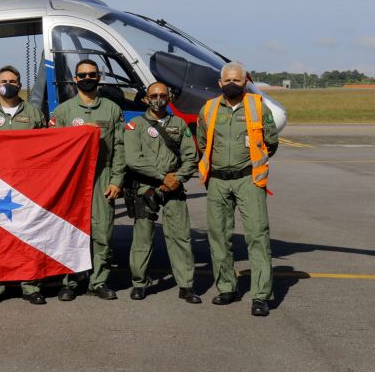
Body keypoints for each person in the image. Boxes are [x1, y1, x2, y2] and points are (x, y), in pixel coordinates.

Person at [197, 62, 279, 317]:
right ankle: (226, 288)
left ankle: (261, 296)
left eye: (237, 80)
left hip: (248, 180)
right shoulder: (209, 109)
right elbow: (201, 141)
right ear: (220, 83)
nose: (232, 84)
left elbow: (271, 141)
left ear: (245, 82)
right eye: (228, 80)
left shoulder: (257, 106)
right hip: (217, 181)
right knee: (219, 236)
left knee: (257, 235)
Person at [49, 59, 125, 301]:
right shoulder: (63, 112)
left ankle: (98, 281)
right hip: (73, 177)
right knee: (69, 231)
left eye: (92, 74)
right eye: (82, 75)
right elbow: (52, 149)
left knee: (102, 232)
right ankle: (69, 281)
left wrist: (117, 180)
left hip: (103, 175)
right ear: (75, 79)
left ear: (99, 77)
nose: (87, 78)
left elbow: (120, 148)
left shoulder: (112, 110)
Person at [0, 65, 48, 305]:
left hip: (27, 185)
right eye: (4, 80)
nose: (9, 84)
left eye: (13, 81)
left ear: (20, 84)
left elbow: (47, 146)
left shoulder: (34, 113)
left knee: (29, 234)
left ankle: (31, 285)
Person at [124, 82, 201, 304]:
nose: (158, 98)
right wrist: (161, 176)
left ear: (170, 98)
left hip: (174, 187)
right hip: (145, 188)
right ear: (146, 99)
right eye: (154, 95)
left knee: (180, 237)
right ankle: (139, 283)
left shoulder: (179, 124)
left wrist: (177, 178)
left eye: (163, 95)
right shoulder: (135, 125)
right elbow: (133, 159)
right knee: (142, 237)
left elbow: (190, 156)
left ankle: (186, 285)